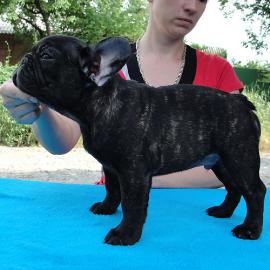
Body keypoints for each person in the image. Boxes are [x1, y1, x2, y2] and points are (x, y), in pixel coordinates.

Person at [0, 0, 243, 188]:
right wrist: (37, 109)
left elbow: (234, 157)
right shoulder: (98, 66)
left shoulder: (219, 71)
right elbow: (62, 143)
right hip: (114, 213)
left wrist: (139, 175)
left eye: (202, 0)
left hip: (191, 218)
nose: (191, 6)